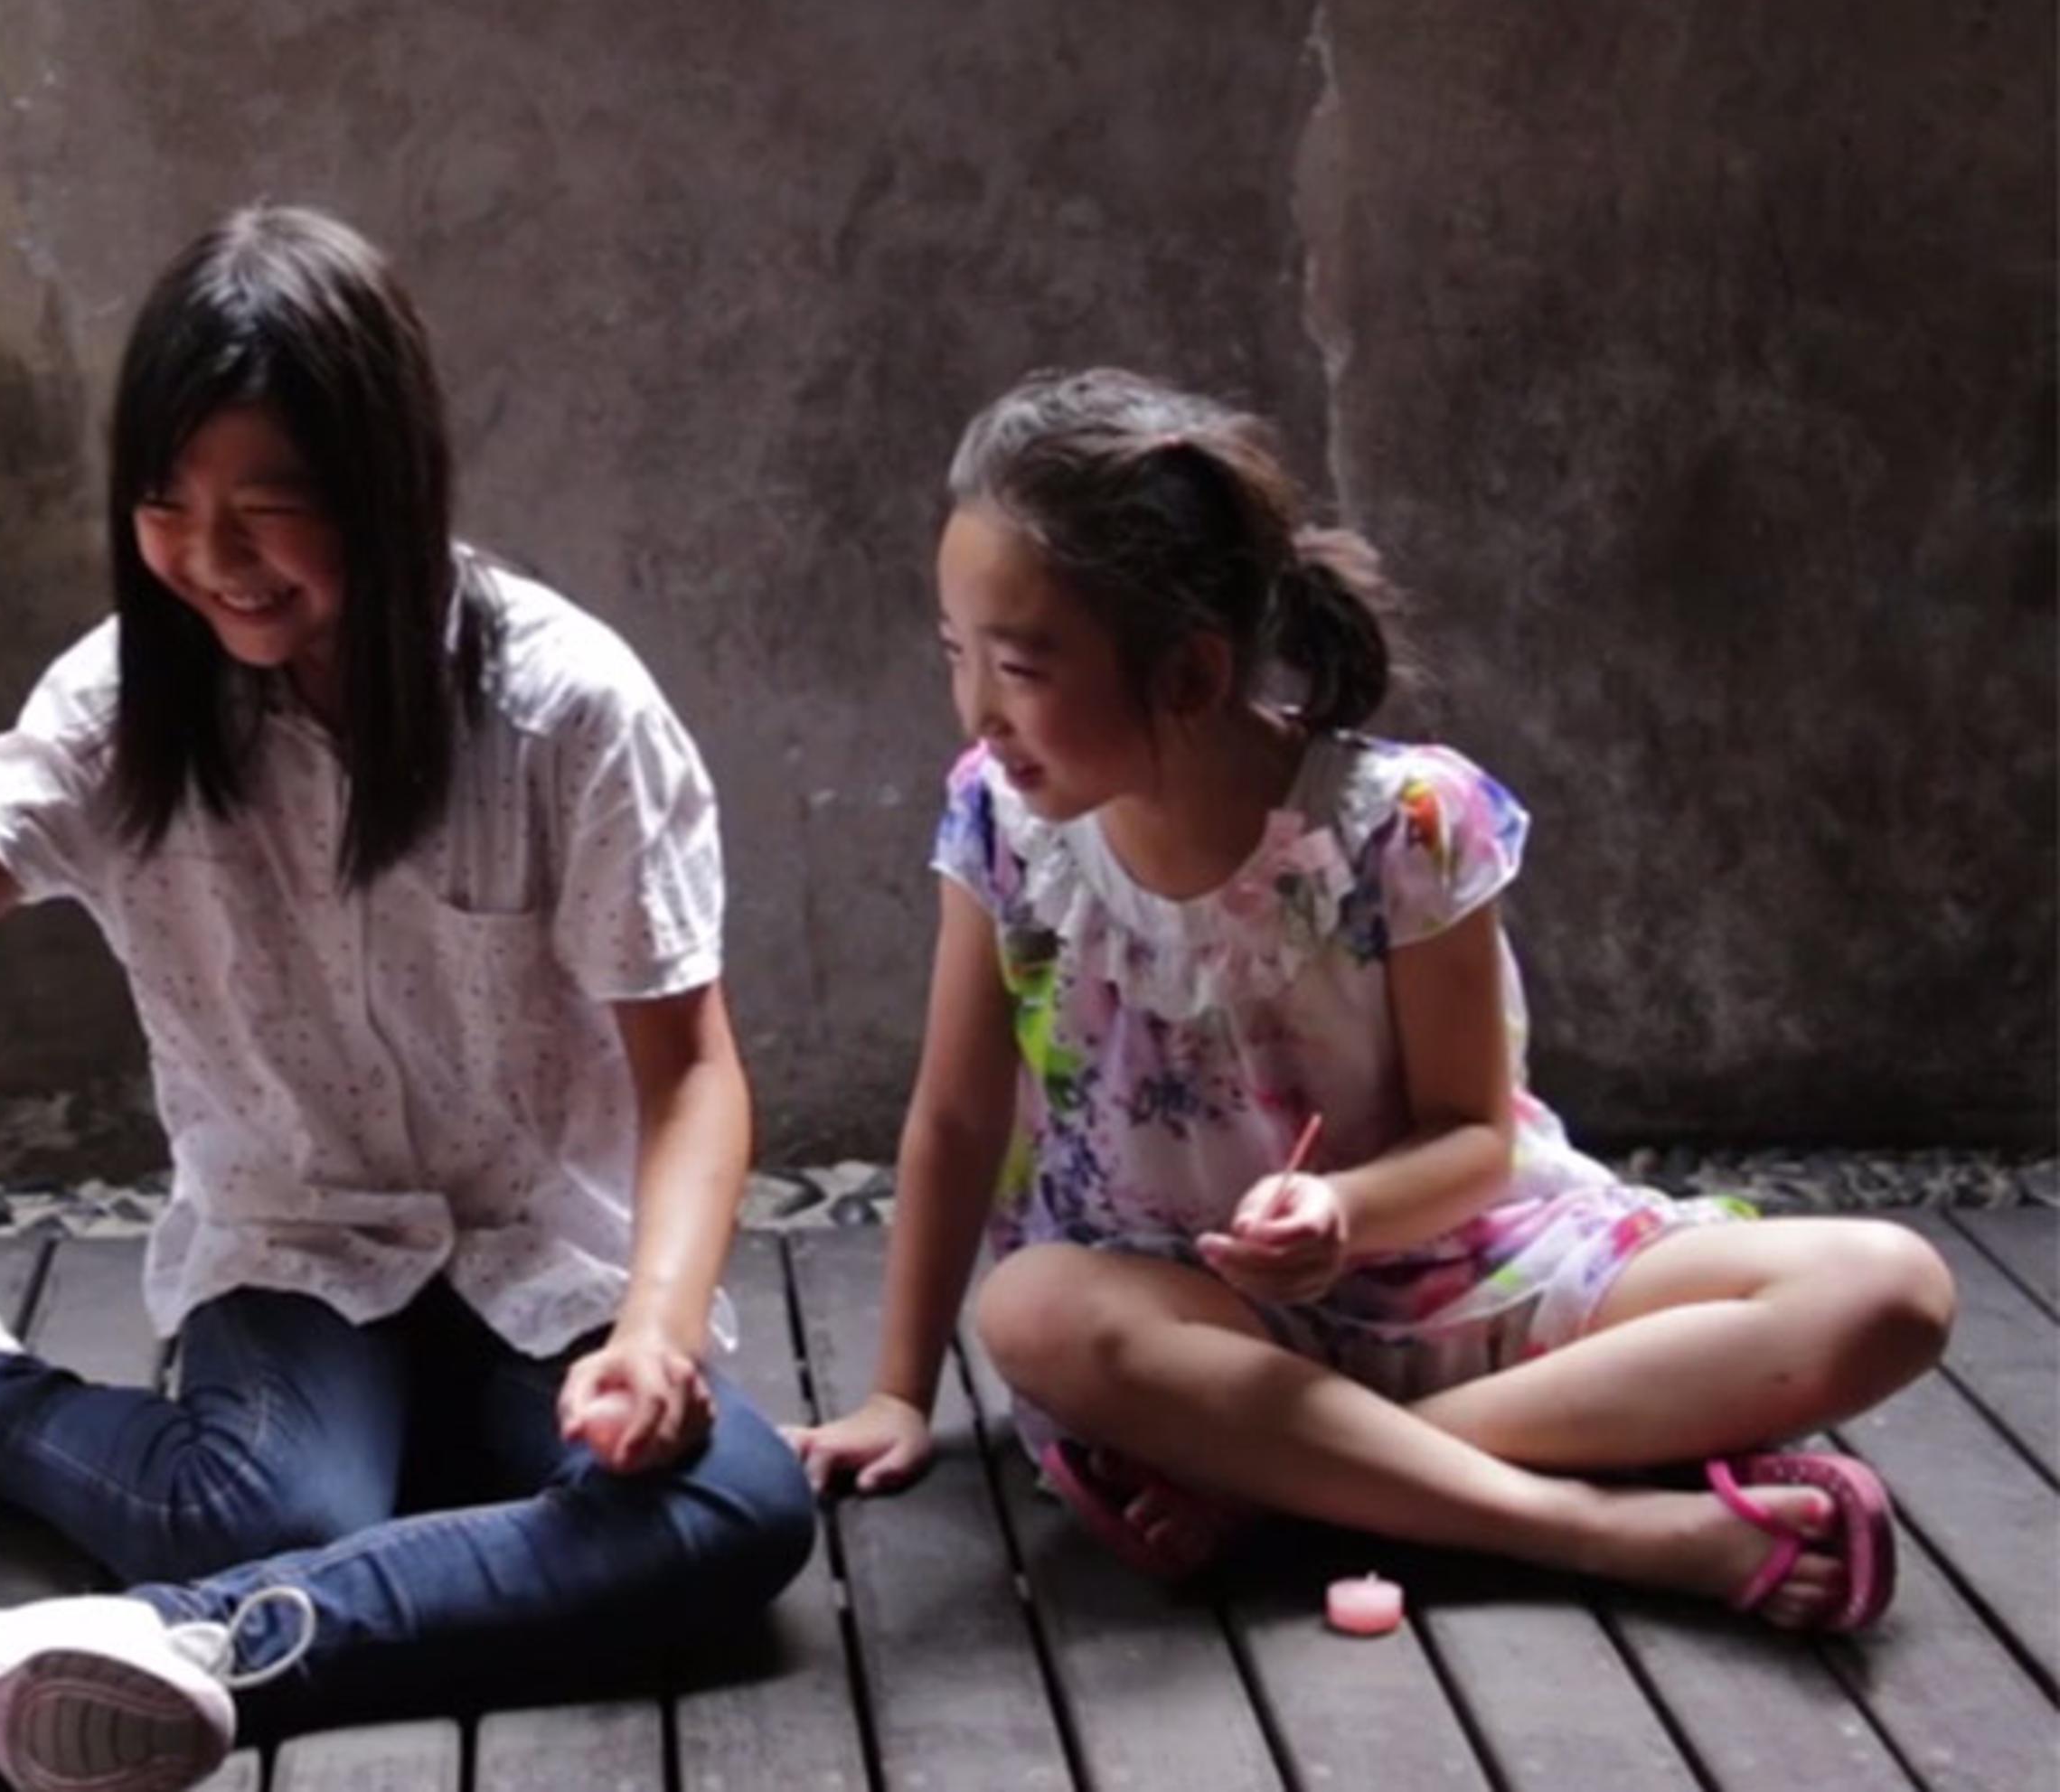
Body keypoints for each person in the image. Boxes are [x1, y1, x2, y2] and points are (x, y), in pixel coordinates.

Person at [0, 207, 814, 1791]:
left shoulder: (569, 709)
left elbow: (693, 1073)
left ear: (387, 487)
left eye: (269, 510)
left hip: (539, 1267)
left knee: (742, 1509)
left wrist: (658, 1328)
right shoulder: (122, 702)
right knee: (279, 1504)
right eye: (166, 504)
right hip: (295, 1248)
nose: (210, 558)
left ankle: (201, 1638)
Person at [787, 367, 1952, 1633]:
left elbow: (1475, 1138)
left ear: (1188, 674)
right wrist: (899, 1392)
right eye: (959, 656)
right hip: (1201, 1331)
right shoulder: (1002, 825)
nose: (977, 712)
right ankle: (1607, 1528)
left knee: (1890, 1290)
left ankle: (1310, 1481)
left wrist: (1343, 1208)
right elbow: (959, 1120)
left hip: (1467, 1282)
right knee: (1035, 1312)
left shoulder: (1403, 825)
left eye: (1018, 667)